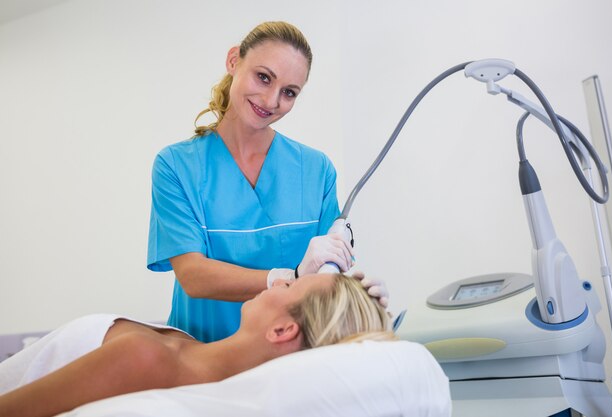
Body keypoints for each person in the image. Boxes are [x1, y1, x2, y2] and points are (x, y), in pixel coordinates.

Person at [147, 21, 362, 343]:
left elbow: (327, 276)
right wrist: (287, 277)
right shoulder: (177, 166)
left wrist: (360, 296)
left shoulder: (315, 170)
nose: (272, 100)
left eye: (289, 93)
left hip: (287, 357)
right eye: (263, 77)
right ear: (234, 61)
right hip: (201, 357)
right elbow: (194, 276)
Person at [0, 273, 394, 417]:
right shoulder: (189, 350)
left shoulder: (147, 358)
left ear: (281, 332)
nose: (276, 281)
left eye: (289, 285)